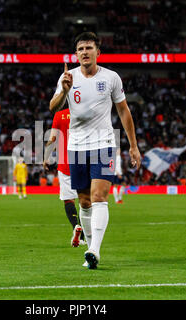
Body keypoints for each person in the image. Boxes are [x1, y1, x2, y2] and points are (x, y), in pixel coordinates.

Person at [49, 32, 141, 269]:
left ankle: (94, 250)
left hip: (103, 143)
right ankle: (91, 254)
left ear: (98, 52)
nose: (84, 52)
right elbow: (53, 107)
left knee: (99, 197)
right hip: (76, 146)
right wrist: (64, 90)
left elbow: (123, 111)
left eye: (89, 48)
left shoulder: (111, 78)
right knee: (85, 201)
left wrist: (133, 145)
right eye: (80, 49)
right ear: (76, 54)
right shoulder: (67, 77)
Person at [43, 108, 85, 249]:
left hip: (65, 163)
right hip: (85, 161)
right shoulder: (84, 110)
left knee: (69, 199)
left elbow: (53, 138)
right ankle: (85, 235)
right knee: (85, 200)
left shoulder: (59, 115)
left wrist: (46, 156)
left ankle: (75, 227)